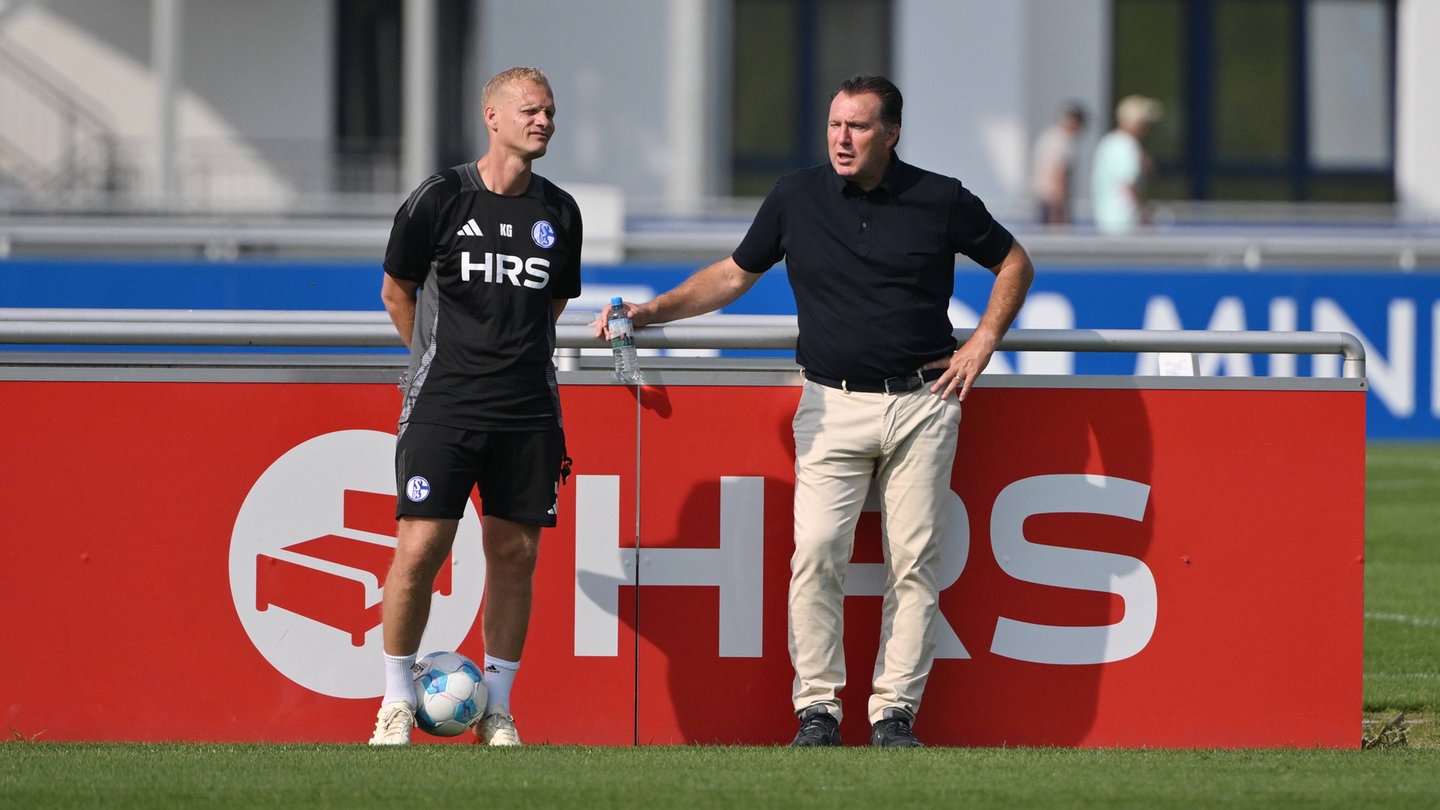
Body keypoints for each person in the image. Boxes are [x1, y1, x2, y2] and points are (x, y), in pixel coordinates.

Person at [595, 75, 1033, 748]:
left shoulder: (940, 197)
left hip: (924, 402)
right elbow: (734, 276)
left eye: (858, 126)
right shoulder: (795, 195)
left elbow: (1014, 263)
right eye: (835, 125)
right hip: (829, 401)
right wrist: (647, 313)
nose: (842, 138)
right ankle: (818, 711)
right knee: (817, 555)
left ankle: (894, 716)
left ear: (890, 133)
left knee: (913, 563)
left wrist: (984, 340)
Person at [369, 66, 582, 746]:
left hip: (527, 413)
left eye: (549, 111)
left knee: (514, 555)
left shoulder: (559, 211)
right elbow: (396, 292)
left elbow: (551, 308)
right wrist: (441, 366)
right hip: (445, 406)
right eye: (529, 110)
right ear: (492, 117)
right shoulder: (439, 197)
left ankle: (498, 709)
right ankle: (396, 701)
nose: (543, 120)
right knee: (423, 546)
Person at [1091, 94, 1163, 234]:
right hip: (1126, 224)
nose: (1147, 129)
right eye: (1145, 123)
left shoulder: (1108, 142)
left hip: (1106, 222)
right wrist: (1146, 212)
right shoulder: (1128, 146)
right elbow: (1128, 185)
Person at [1029, 101, 1087, 226]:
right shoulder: (1064, 141)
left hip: (1041, 199)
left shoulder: (1048, 136)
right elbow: (1058, 177)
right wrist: (1061, 215)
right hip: (1054, 205)